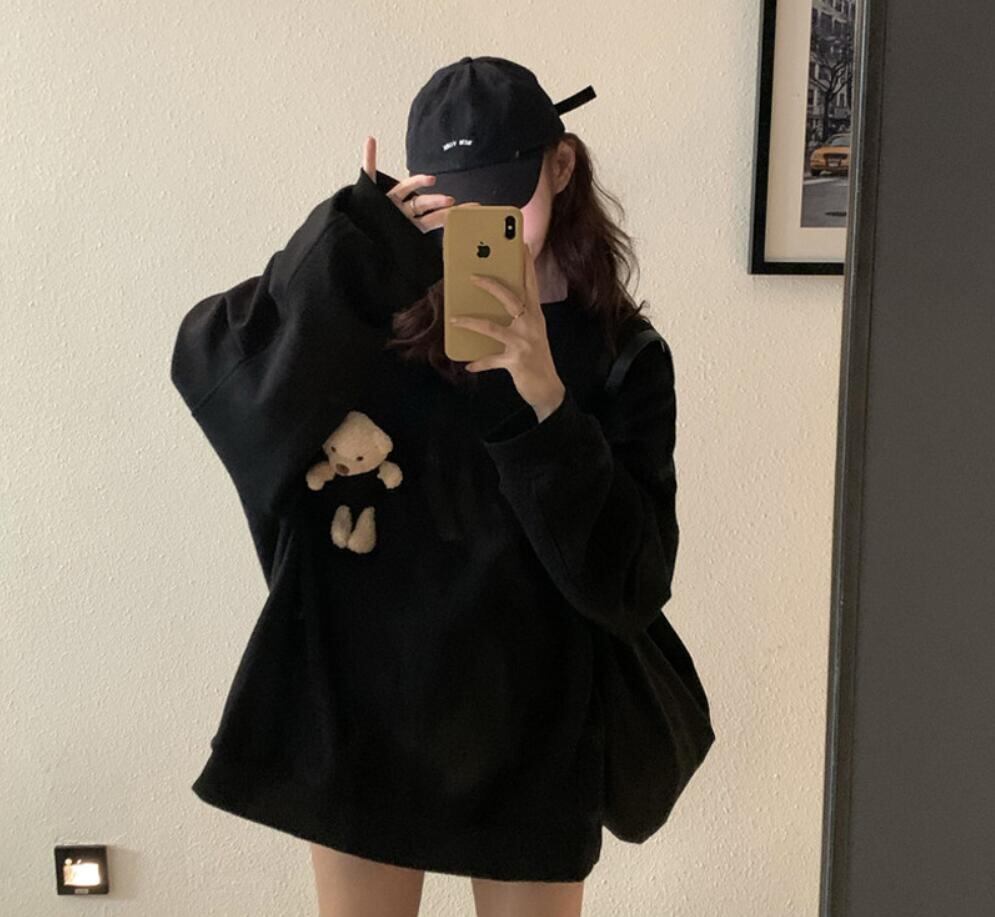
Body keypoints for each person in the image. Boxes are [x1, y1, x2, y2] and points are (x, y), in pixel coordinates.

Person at [171, 56, 679, 917]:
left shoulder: (620, 355)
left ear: (560, 166)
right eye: (454, 202)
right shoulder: (360, 309)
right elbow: (219, 381)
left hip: (535, 725)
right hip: (363, 710)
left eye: (503, 198)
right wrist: (347, 246)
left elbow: (631, 583)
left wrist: (546, 400)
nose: (480, 226)